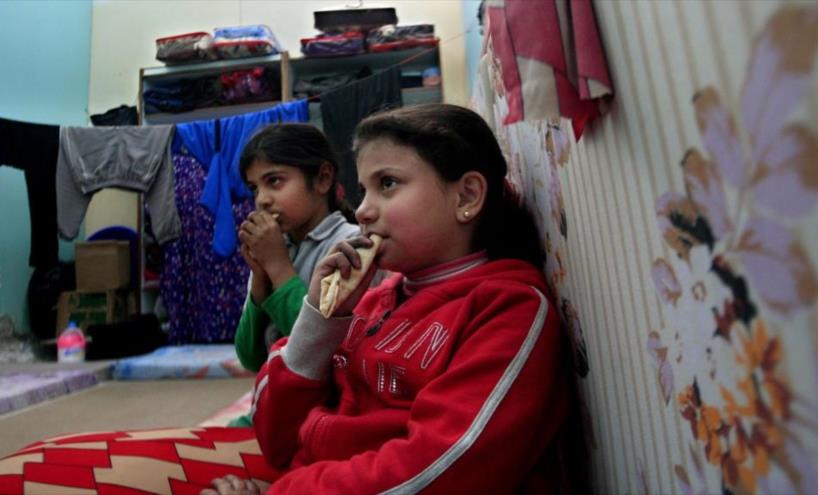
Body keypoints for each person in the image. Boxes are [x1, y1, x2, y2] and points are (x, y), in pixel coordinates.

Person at [206, 103, 576, 494]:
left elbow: (442, 467)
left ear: (467, 196)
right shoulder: (371, 301)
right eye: (365, 189)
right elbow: (276, 439)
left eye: (387, 184)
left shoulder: (507, 308)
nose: (363, 211)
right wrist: (317, 317)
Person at [233, 123, 360, 375]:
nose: (262, 199)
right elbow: (250, 358)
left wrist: (279, 269)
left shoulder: (350, 246)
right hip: (280, 395)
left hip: (330, 404)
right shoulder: (274, 248)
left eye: (274, 181)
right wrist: (260, 281)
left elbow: (328, 355)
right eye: (254, 188)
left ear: (323, 179)